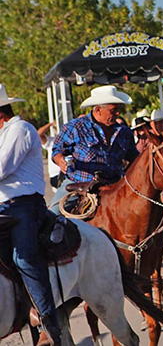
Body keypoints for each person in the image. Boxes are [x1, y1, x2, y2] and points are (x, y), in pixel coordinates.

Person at [0, 84, 62, 345]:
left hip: (25, 203)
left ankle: (48, 320)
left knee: (23, 257)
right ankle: (21, 305)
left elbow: (2, 167)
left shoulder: (20, 130)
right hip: (3, 206)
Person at [49, 86, 139, 212]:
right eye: (113, 110)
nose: (118, 114)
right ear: (98, 110)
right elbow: (57, 149)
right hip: (78, 185)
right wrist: (60, 160)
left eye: (119, 109)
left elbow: (134, 158)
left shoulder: (124, 133)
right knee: (52, 215)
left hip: (114, 186)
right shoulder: (75, 127)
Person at [37, 121, 61, 191]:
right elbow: (38, 134)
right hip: (56, 175)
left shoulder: (71, 141)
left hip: (68, 174)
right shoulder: (51, 141)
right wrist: (50, 124)